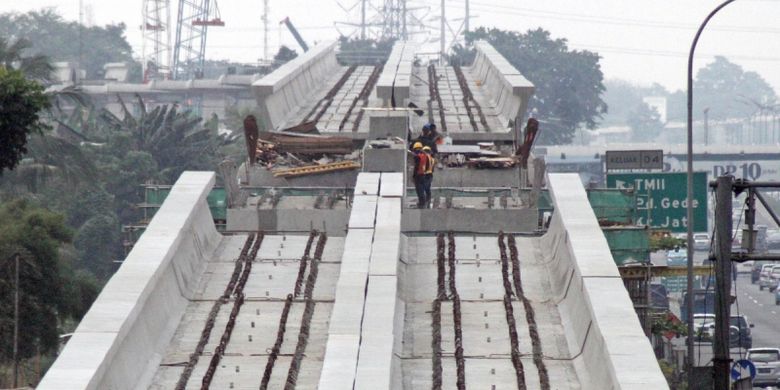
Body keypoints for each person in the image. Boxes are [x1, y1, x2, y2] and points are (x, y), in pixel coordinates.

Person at [411, 142, 430, 208]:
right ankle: (423, 202)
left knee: (419, 190)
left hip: (418, 175)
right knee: (422, 189)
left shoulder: (417, 157)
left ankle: (421, 203)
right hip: (423, 174)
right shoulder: (425, 155)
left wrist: (413, 176)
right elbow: (427, 165)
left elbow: (416, 167)